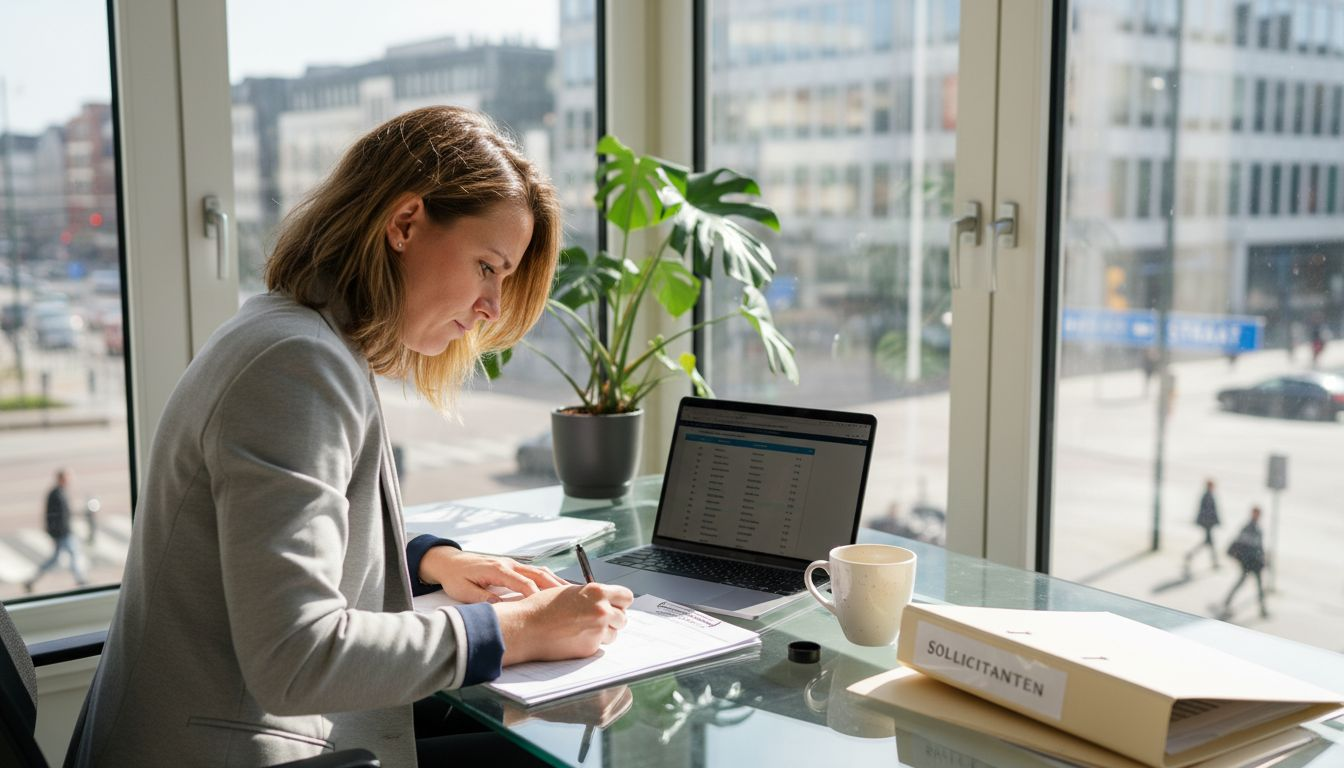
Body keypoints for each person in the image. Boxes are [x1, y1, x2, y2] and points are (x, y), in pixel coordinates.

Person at [70, 107, 634, 768]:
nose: (492, 308)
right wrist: (517, 630)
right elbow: (295, 657)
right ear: (404, 223)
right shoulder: (295, 365)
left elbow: (274, 543)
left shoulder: (293, 335)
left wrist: (426, 559)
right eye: (488, 266)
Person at [24, 469, 88, 592]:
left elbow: (65, 513)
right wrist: (54, 532)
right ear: (61, 479)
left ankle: (32, 580)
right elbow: (51, 515)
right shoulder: (55, 494)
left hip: (63, 531)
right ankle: (81, 580)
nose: (70, 480)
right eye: (67, 478)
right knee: (73, 554)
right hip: (62, 533)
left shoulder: (60, 492)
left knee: (57, 559)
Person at [1219, 506, 1269, 621]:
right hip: (1249, 562)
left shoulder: (1257, 528)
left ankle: (1262, 608)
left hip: (1255, 563)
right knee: (1244, 583)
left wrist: (1262, 558)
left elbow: (1259, 547)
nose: (1257, 516)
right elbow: (1244, 544)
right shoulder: (1249, 528)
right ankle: (1228, 601)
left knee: (1258, 586)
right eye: (1256, 513)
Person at [1182, 479, 1220, 574]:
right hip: (1207, 523)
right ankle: (1191, 555)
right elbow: (1207, 511)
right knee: (1209, 543)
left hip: (1208, 523)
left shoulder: (1208, 496)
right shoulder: (1207, 497)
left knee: (1208, 543)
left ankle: (1190, 555)